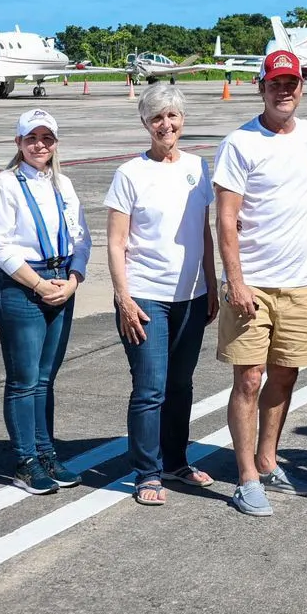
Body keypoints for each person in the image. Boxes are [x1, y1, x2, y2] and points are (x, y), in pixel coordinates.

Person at [213, 49, 307, 516]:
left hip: (301, 283)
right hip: (253, 283)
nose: (285, 90)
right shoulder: (240, 143)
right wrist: (235, 282)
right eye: (276, 83)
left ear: (301, 86)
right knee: (249, 378)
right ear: (261, 87)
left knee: (284, 375)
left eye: (292, 82)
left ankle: (268, 457)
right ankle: (246, 477)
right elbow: (226, 219)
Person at [107, 84, 218, 506]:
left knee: (181, 384)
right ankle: (147, 471)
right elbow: (115, 242)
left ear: (182, 121)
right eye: (157, 118)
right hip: (146, 296)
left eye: (172, 116)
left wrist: (211, 283)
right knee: (150, 388)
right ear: (145, 123)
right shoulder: (130, 173)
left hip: (191, 296)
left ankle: (175, 461)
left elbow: (203, 232)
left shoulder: (197, 167)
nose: (165, 125)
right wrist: (124, 297)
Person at [0, 108, 91, 495]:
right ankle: (25, 459)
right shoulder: (5, 184)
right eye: (31, 138)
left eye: (46, 138)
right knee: (25, 380)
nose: (39, 145)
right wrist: (38, 285)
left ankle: (46, 452)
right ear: (19, 142)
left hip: (61, 282)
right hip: (22, 285)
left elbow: (82, 238)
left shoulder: (63, 184)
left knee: (46, 379)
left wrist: (73, 280)